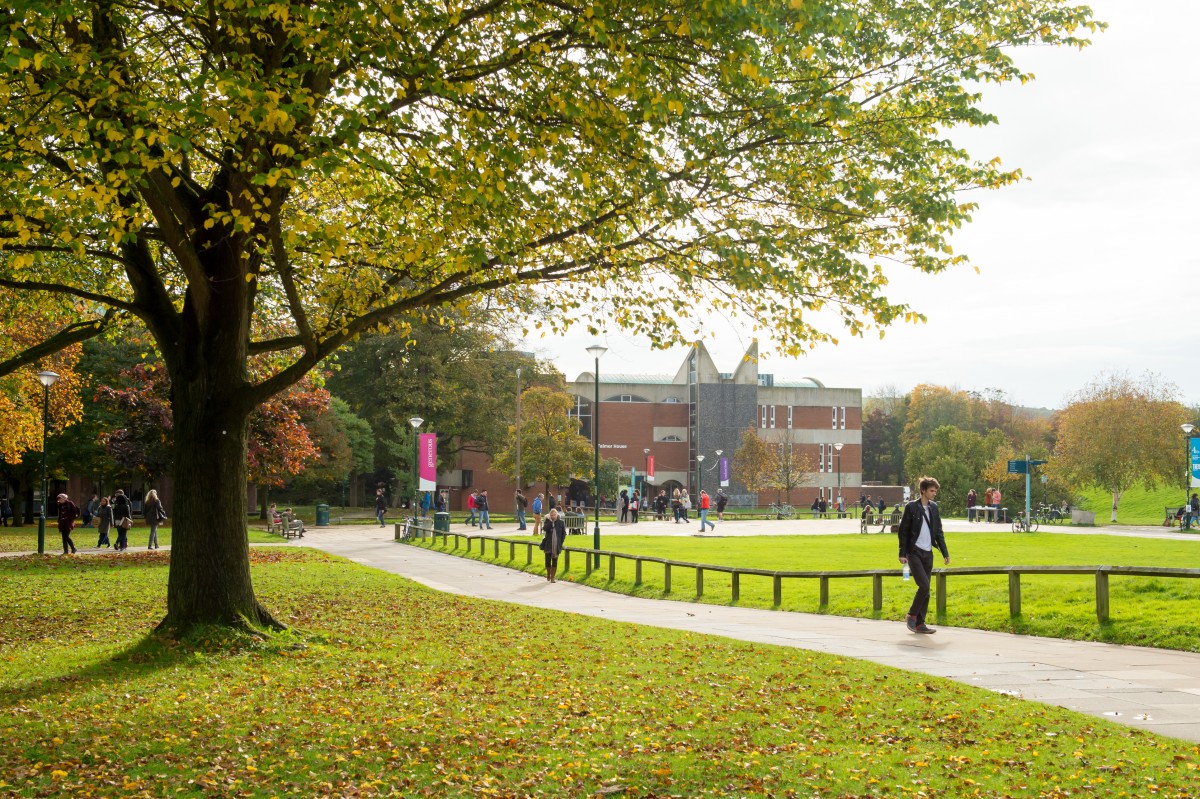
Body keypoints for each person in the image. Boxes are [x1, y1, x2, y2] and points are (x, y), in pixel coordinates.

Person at [897, 477, 950, 634]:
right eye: (932, 491)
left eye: (935, 491)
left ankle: (920, 624)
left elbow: (939, 532)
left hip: (928, 552)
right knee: (924, 585)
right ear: (923, 491)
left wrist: (945, 552)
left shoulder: (933, 508)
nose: (934, 494)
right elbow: (903, 531)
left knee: (926, 589)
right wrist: (902, 553)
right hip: (914, 552)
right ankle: (912, 615)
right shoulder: (912, 507)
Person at [539, 508, 567, 583]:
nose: (553, 516)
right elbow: (544, 529)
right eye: (551, 515)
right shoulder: (548, 522)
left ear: (557, 515)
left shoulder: (561, 522)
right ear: (549, 515)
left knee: (555, 561)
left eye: (554, 515)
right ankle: (548, 574)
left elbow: (563, 533)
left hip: (556, 545)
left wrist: (560, 542)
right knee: (547, 562)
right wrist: (550, 522)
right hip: (548, 545)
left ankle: (552, 577)